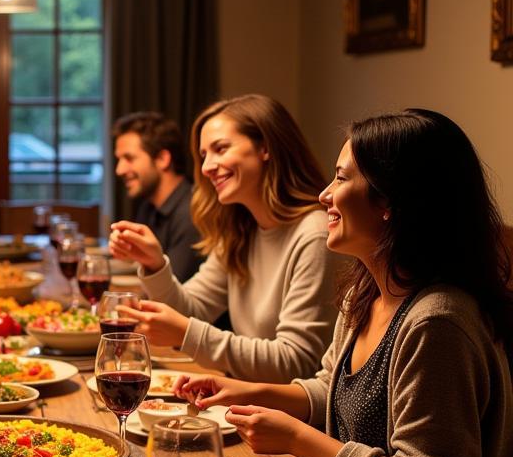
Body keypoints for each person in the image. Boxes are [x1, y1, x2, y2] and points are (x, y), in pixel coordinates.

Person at [175, 109, 513, 457]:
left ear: (391, 203)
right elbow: (334, 389)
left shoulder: (438, 322)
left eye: (341, 178)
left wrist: (297, 440)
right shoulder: (368, 293)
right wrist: (249, 390)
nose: (323, 196)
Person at [110, 94, 345, 382]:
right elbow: (192, 309)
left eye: (220, 149)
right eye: (204, 155)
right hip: (242, 400)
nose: (207, 166)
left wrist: (186, 333)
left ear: (265, 148)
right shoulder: (241, 231)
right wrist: (155, 264)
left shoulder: (314, 234)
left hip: (285, 418)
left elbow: (297, 361)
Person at [111, 111, 201, 282]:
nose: (119, 169)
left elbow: (172, 290)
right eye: (119, 159)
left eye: (129, 158)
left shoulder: (192, 213)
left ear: (162, 159)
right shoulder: (149, 206)